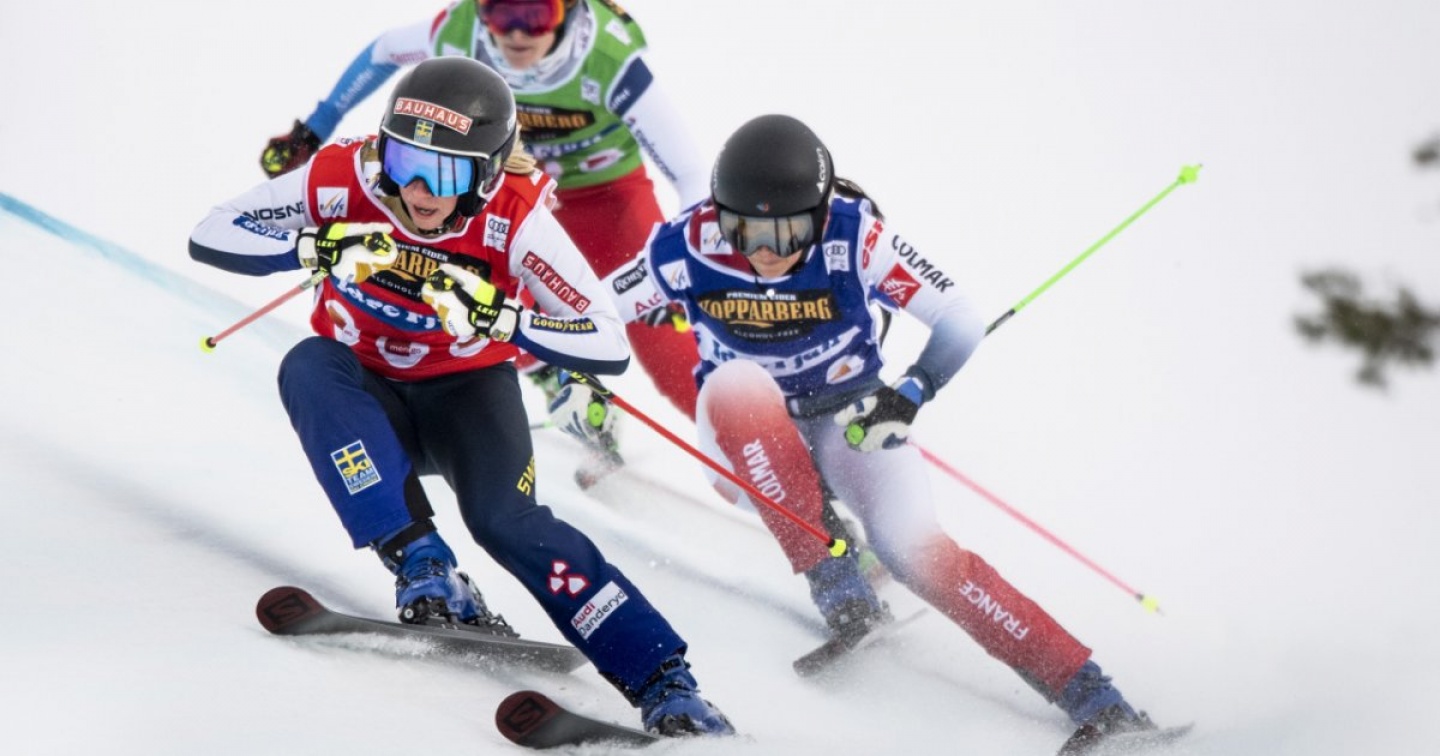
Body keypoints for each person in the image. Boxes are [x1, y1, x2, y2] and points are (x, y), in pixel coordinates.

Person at [191, 56, 733, 737]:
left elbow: (605, 340)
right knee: (307, 364)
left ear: (485, 173)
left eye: (446, 174)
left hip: (467, 397)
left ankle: (666, 682)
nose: (419, 191)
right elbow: (211, 231)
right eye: (405, 161)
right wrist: (315, 246)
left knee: (506, 522)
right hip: (367, 399)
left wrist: (503, 319)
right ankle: (424, 565)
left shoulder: (515, 215)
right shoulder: (344, 176)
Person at [592, 114, 1162, 754]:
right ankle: (841, 589)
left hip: (849, 417)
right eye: (743, 231)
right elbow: (596, 310)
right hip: (741, 441)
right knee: (737, 383)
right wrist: (553, 354)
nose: (765, 251)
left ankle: (1097, 700)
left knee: (919, 554)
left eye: (788, 232)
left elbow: (958, 316)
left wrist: (912, 390)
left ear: (818, 214)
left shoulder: (855, 236)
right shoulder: (686, 245)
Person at [259, 0, 707, 481]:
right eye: (499, 12)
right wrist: (314, 129)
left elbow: (690, 173)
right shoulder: (459, 30)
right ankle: (567, 387)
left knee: (664, 345)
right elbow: (384, 52)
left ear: (573, 13)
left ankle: (750, 451)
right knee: (466, 296)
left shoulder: (606, 55)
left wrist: (697, 255)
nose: (516, 33)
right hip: (506, 198)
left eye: (537, 15)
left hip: (608, 201)